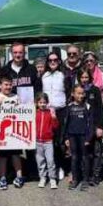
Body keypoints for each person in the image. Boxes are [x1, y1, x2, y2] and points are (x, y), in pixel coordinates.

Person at [0, 75, 23, 190]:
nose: (8, 87)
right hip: (1, 132)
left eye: (10, 85)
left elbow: (23, 112)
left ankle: (19, 176)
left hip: (14, 132)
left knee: (16, 154)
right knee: (3, 156)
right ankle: (2, 178)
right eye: (6, 84)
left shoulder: (16, 96)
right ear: (0, 85)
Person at [41, 51, 67, 180]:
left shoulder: (63, 75)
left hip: (60, 111)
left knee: (59, 142)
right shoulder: (43, 76)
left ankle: (60, 166)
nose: (52, 62)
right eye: (50, 60)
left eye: (55, 60)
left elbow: (68, 91)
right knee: (47, 141)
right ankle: (47, 167)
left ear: (59, 61)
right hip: (46, 111)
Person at [63, 84, 94, 191]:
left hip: (83, 137)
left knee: (85, 158)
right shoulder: (69, 106)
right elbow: (66, 123)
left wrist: (88, 138)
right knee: (74, 158)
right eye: (78, 93)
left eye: (82, 93)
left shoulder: (87, 106)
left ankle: (85, 180)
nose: (81, 95)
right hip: (72, 136)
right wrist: (66, 137)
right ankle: (75, 179)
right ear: (73, 94)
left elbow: (91, 124)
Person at [77, 68, 103, 185]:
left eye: (86, 77)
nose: (84, 80)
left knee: (96, 152)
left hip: (95, 126)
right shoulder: (77, 91)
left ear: (90, 78)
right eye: (82, 77)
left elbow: (100, 110)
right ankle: (85, 175)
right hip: (82, 127)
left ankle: (96, 175)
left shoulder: (95, 90)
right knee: (84, 152)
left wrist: (100, 126)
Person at [35, 92, 59, 189]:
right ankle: (43, 177)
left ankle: (52, 178)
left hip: (48, 141)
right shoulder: (35, 113)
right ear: (37, 103)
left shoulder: (50, 113)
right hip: (37, 141)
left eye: (44, 102)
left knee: (50, 160)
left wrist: (54, 118)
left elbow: (55, 126)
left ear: (47, 103)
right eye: (40, 102)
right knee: (40, 161)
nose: (42, 104)